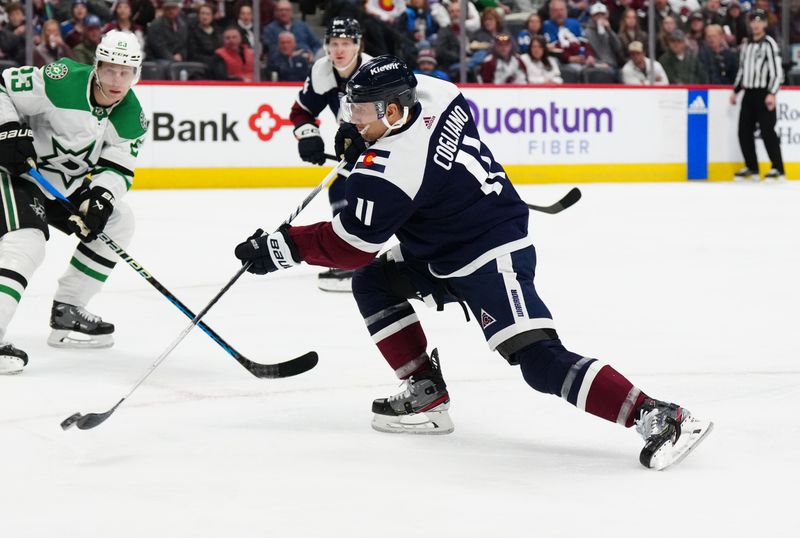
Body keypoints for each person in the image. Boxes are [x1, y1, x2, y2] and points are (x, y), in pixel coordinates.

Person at [233, 55, 713, 470]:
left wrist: (283, 246)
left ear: (394, 110)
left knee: (538, 361)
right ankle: (425, 392)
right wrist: (354, 134)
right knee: (374, 284)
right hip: (445, 240)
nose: (353, 119)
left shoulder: (394, 171)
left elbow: (351, 244)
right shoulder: (439, 92)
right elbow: (400, 113)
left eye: (361, 113)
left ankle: (659, 415)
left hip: (488, 251)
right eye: (351, 111)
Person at [0, 30, 147, 374]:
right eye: (110, 69)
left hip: (63, 187)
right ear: (96, 65)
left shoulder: (132, 115)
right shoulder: (61, 79)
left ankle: (69, 308)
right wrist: (5, 128)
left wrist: (102, 198)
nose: (116, 80)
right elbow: (2, 86)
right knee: (27, 242)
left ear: (136, 74)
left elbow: (119, 166)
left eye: (126, 72)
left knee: (119, 219)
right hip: (19, 173)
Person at [289, 18, 371, 292]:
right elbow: (302, 111)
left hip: (388, 143)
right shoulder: (322, 71)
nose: (339, 50)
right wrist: (308, 135)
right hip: (355, 146)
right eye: (334, 43)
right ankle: (351, 255)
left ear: (357, 46)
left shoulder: (373, 72)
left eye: (346, 43)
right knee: (341, 188)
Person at [730, 9, 785, 182]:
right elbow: (742, 69)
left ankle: (778, 168)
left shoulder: (769, 44)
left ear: (765, 24)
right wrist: (736, 90)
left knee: (768, 131)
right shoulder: (747, 45)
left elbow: (777, 72)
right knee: (743, 131)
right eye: (753, 21)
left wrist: (772, 93)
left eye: (759, 21)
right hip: (749, 93)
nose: (756, 24)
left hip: (764, 93)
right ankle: (752, 167)